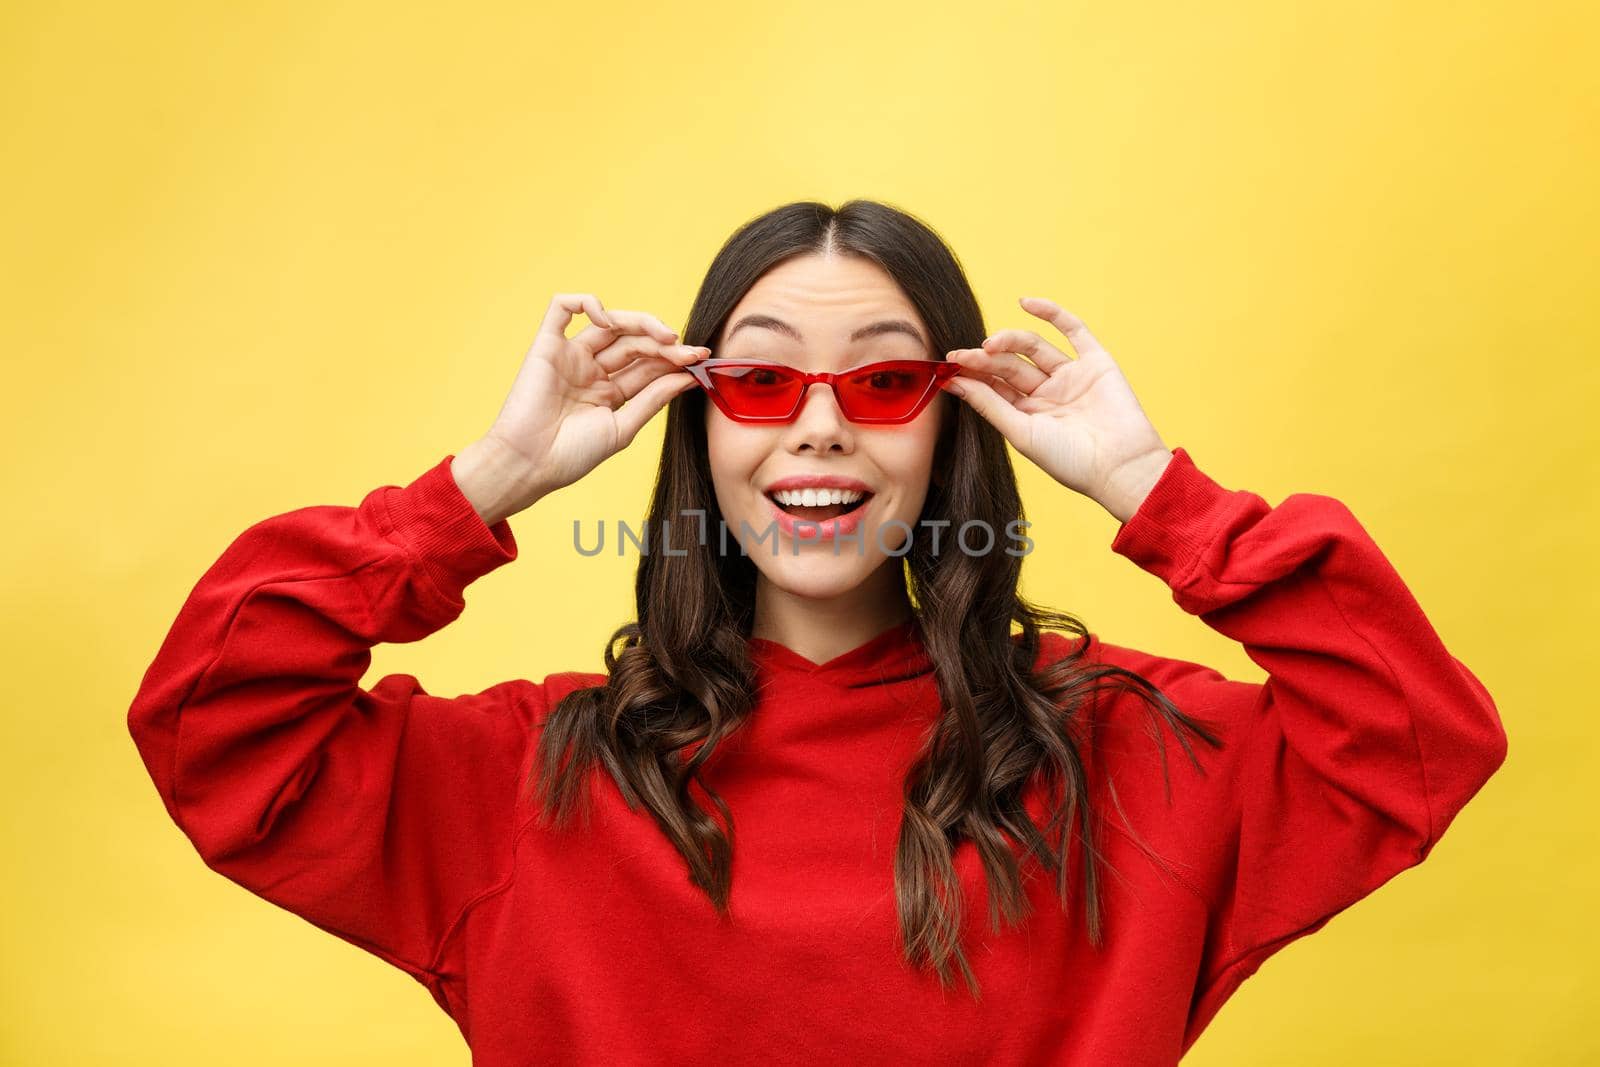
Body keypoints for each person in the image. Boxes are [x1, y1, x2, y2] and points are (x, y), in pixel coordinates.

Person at [126, 199, 1508, 1065]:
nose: (822, 422)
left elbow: (1415, 738)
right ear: (700, 421)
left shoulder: (1122, 759)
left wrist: (1153, 487)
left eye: (889, 381)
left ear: (958, 424)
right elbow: (216, 717)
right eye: (765, 376)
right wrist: (487, 480)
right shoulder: (526, 781)